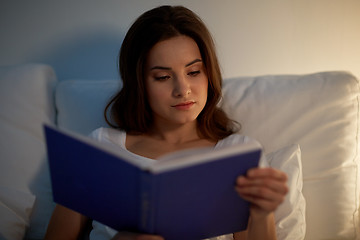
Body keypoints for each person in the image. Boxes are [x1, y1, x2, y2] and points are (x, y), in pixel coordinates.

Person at [45, 5, 288, 240]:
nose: (183, 90)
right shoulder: (99, 148)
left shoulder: (238, 154)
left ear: (209, 74)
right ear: (139, 83)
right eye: (162, 77)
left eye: (193, 72)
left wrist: (261, 214)